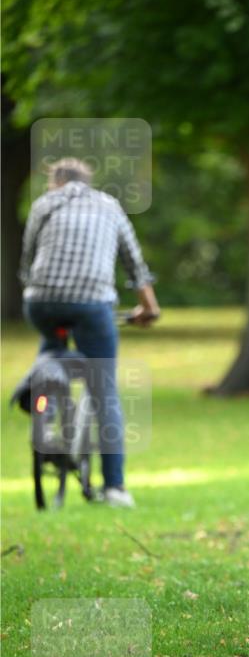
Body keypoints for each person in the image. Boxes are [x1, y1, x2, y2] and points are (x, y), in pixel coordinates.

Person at [19, 157, 160, 507]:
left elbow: (27, 262)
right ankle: (114, 487)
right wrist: (149, 308)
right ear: (88, 180)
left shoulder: (44, 205)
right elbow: (135, 267)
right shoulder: (109, 206)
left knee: (52, 346)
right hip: (92, 304)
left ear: (56, 181)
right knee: (104, 389)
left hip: (41, 302)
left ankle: (44, 405)